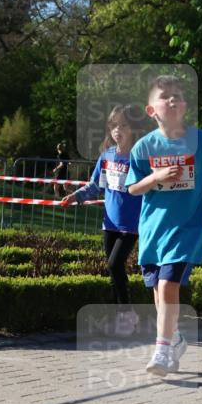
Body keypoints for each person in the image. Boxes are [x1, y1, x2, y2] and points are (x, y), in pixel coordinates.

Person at [126, 75, 202, 376]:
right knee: (158, 291)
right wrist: (155, 177)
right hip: (153, 230)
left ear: (185, 105)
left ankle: (161, 349)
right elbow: (133, 188)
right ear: (151, 110)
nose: (172, 100)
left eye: (178, 96)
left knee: (168, 284)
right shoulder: (144, 147)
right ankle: (175, 339)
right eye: (165, 96)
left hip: (188, 228)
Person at [61, 105, 148, 335]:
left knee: (114, 264)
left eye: (124, 125)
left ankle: (128, 313)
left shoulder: (140, 158)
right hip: (109, 223)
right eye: (114, 125)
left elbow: (151, 187)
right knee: (113, 270)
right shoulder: (107, 156)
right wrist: (75, 196)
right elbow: (95, 186)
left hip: (132, 224)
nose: (118, 130)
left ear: (134, 129)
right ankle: (120, 316)